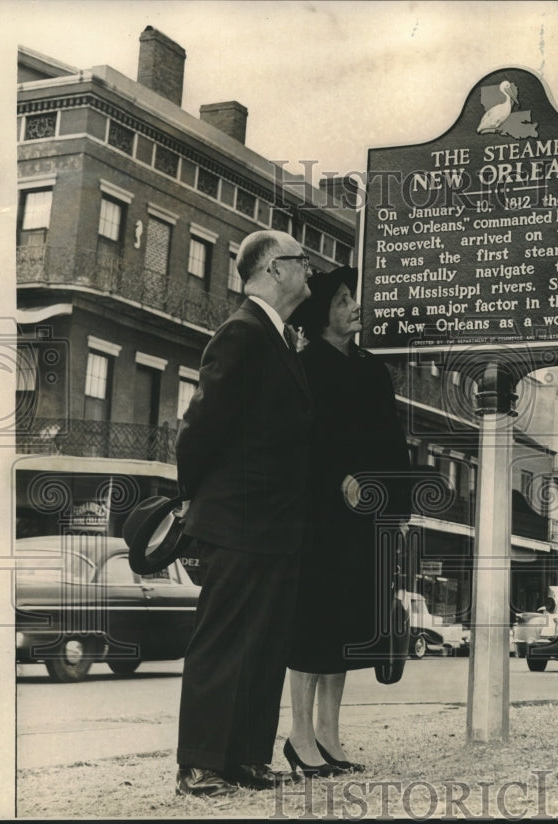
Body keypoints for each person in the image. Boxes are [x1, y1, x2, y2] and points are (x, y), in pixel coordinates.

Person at [174, 230, 313, 796]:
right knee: (225, 640)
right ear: (272, 270)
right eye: (301, 261)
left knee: (266, 642)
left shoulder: (278, 339)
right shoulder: (242, 332)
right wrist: (191, 497)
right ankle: (201, 763)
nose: (310, 270)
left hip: (276, 523)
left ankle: (248, 757)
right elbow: (199, 426)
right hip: (237, 521)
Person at [282, 267, 413, 778]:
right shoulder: (306, 365)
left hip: (367, 515)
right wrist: (338, 477)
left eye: (351, 299)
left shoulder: (372, 369)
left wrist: (397, 506)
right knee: (312, 626)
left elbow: (392, 442)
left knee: (343, 629)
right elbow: (302, 437)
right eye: (341, 301)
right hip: (320, 513)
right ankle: (298, 734)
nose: (354, 306)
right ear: (321, 317)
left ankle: (329, 736)